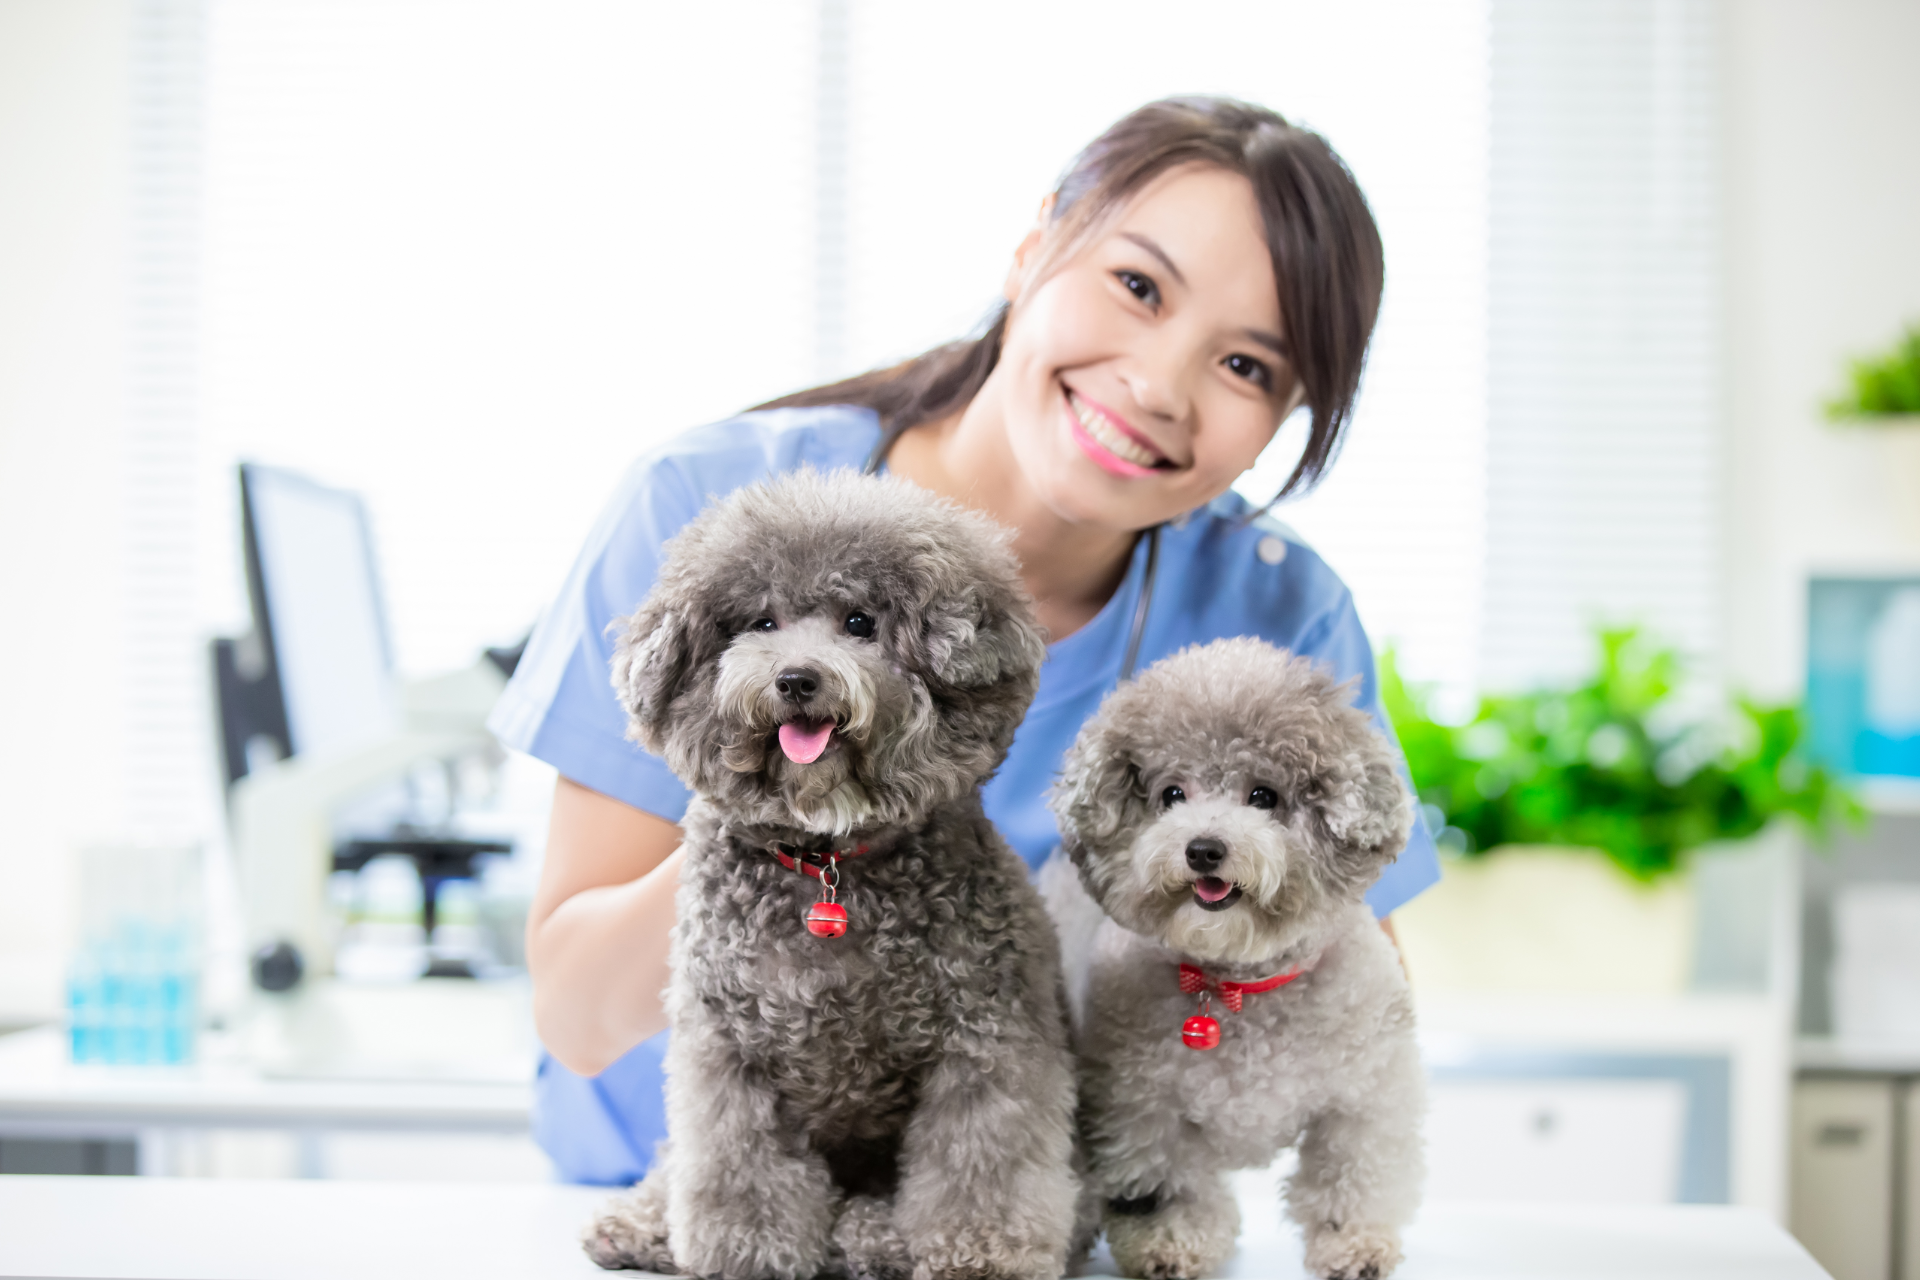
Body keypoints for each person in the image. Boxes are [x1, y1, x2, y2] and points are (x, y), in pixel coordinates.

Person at [488, 96, 1440, 1185]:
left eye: (1247, 368)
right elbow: (576, 1014)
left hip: (996, 1229)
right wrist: (808, 820)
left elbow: (1356, 1018)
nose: (1157, 384)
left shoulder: (1278, 614)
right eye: (1137, 286)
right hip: (683, 1212)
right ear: (1035, 243)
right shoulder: (706, 508)